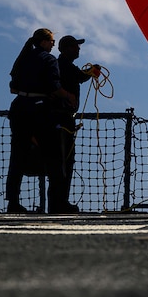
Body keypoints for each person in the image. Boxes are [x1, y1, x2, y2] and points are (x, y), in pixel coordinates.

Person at [6, 28, 77, 213]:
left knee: (17, 157)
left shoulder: (23, 57)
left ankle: (12, 202)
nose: (53, 44)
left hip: (19, 107)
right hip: (39, 111)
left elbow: (13, 87)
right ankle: (59, 202)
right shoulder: (48, 59)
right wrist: (68, 95)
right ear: (44, 42)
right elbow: (54, 86)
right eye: (52, 41)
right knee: (55, 157)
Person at [56, 36, 101, 212]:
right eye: (75, 47)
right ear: (66, 48)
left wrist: (90, 72)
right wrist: (91, 71)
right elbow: (78, 76)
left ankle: (60, 201)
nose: (78, 50)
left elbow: (79, 76)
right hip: (61, 118)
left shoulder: (64, 65)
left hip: (66, 118)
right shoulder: (63, 66)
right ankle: (59, 203)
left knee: (65, 161)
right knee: (63, 162)